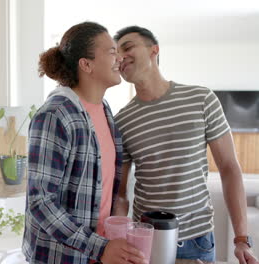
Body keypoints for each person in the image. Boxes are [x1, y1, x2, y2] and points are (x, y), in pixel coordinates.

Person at [113, 25, 258, 264]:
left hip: (197, 241)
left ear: (154, 50)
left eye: (128, 47)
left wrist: (242, 238)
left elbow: (230, 168)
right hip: (146, 242)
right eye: (117, 53)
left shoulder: (201, 99)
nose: (121, 57)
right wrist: (117, 238)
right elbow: (120, 194)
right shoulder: (122, 120)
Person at [22, 21, 147, 264]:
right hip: (62, 257)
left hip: (97, 254)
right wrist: (99, 248)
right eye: (111, 51)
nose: (119, 58)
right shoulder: (56, 115)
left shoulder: (105, 111)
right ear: (86, 64)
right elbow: (41, 202)